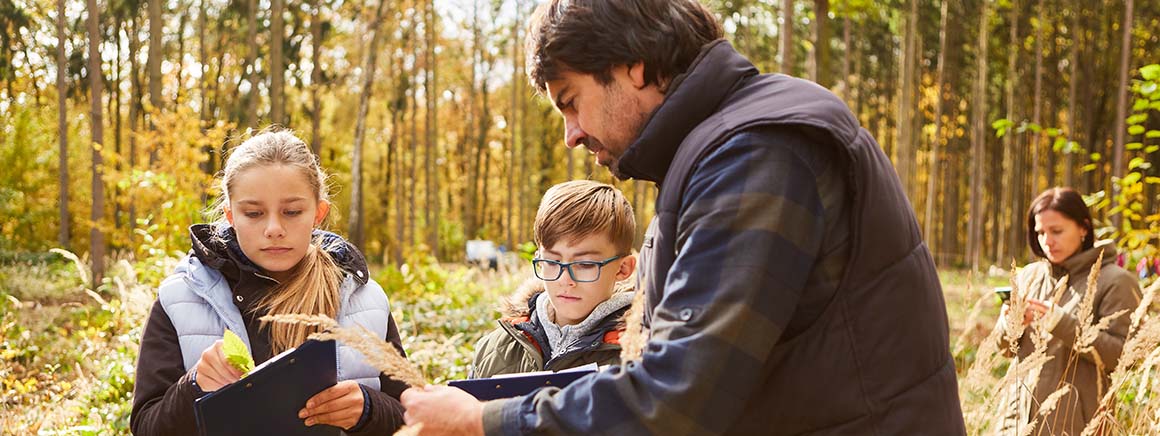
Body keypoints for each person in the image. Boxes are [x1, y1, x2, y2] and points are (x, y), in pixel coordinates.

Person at [400, 0, 965, 434]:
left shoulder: (756, 154)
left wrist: (484, 420)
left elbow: (679, 394)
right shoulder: (723, 149)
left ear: (634, 66)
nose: (571, 135)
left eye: (570, 100)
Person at [130, 131, 408, 435]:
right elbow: (147, 427)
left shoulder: (365, 301)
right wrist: (194, 385)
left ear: (318, 213)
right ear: (231, 216)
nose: (274, 229)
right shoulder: (181, 298)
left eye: (291, 212)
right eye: (253, 213)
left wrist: (369, 409)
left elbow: (412, 417)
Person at [997, 187, 1141, 435]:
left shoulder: (1116, 281)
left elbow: (1123, 357)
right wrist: (1010, 324)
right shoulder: (1030, 275)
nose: (1047, 241)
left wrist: (1061, 322)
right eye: (1040, 232)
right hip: (1014, 423)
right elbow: (1005, 350)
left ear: (1084, 228)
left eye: (1057, 231)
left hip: (1075, 428)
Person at [471, 180, 636, 379]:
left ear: (623, 268)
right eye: (552, 261)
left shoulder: (640, 354)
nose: (565, 280)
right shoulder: (496, 348)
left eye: (585, 265)